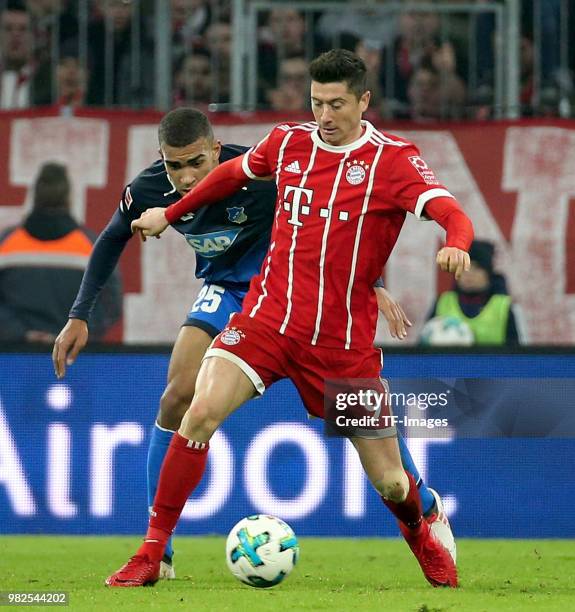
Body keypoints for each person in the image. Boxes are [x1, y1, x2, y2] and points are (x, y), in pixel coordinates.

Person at [116, 49, 473, 588]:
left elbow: (450, 211)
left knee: (391, 482)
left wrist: (458, 244)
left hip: (340, 346)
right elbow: (230, 175)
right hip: (266, 319)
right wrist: (169, 213)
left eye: (336, 104)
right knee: (199, 411)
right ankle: (152, 552)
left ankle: (421, 531)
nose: (324, 116)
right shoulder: (289, 142)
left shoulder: (392, 160)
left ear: (363, 102)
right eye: (316, 102)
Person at [51, 107, 436, 581]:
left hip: (291, 294)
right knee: (177, 397)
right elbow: (112, 239)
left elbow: (334, 221)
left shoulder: (259, 176)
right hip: (227, 290)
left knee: (353, 409)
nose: (187, 178)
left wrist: (371, 280)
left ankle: (420, 496)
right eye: (175, 166)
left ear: (216, 150)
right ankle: (159, 552)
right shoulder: (148, 190)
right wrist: (78, 315)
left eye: (196, 162)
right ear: (161, 161)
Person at [0, 162, 121, 343]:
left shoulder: (6, 244)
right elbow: (111, 306)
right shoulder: (93, 248)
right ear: (69, 198)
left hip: (13, 360)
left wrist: (21, 334)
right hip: (73, 361)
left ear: (35, 197)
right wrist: (71, 335)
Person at [427, 239, 522, 345]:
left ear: (488, 273)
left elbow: (515, 355)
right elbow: (422, 351)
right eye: (463, 266)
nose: (469, 273)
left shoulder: (503, 307)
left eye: (476, 268)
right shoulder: (443, 303)